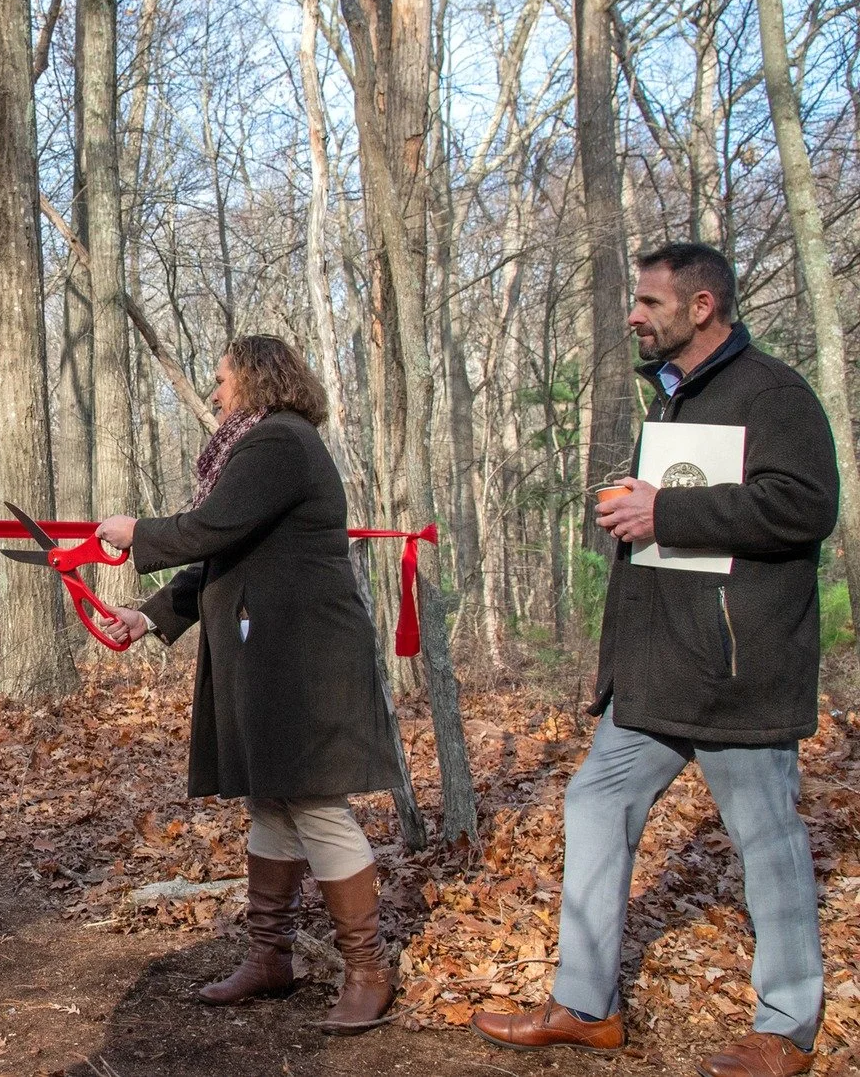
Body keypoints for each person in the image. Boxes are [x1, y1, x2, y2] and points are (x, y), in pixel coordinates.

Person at [471, 243, 836, 1077]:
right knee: (595, 805)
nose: (632, 315)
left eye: (647, 302)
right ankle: (586, 1006)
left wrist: (665, 507)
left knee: (768, 843)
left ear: (701, 306)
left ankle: (786, 1029)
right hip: (656, 670)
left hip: (738, 673)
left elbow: (807, 505)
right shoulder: (671, 399)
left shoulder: (773, 394)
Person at [94, 335, 404, 1033]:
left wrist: (133, 530)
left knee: (317, 805)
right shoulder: (265, 447)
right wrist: (147, 620)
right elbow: (227, 552)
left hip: (305, 658)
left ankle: (368, 972)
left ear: (258, 380)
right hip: (273, 651)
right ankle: (270, 958)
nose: (214, 392)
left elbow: (208, 529)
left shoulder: (279, 445)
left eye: (223, 380)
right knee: (272, 803)